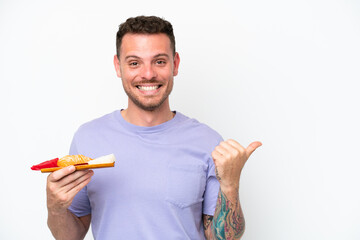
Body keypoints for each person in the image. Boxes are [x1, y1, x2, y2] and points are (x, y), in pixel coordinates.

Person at [46, 16, 261, 240]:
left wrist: (230, 185)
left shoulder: (208, 141)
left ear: (175, 64)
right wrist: (55, 208)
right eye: (134, 63)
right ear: (118, 66)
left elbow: (222, 238)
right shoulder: (88, 138)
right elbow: (69, 237)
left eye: (159, 61)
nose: (148, 74)